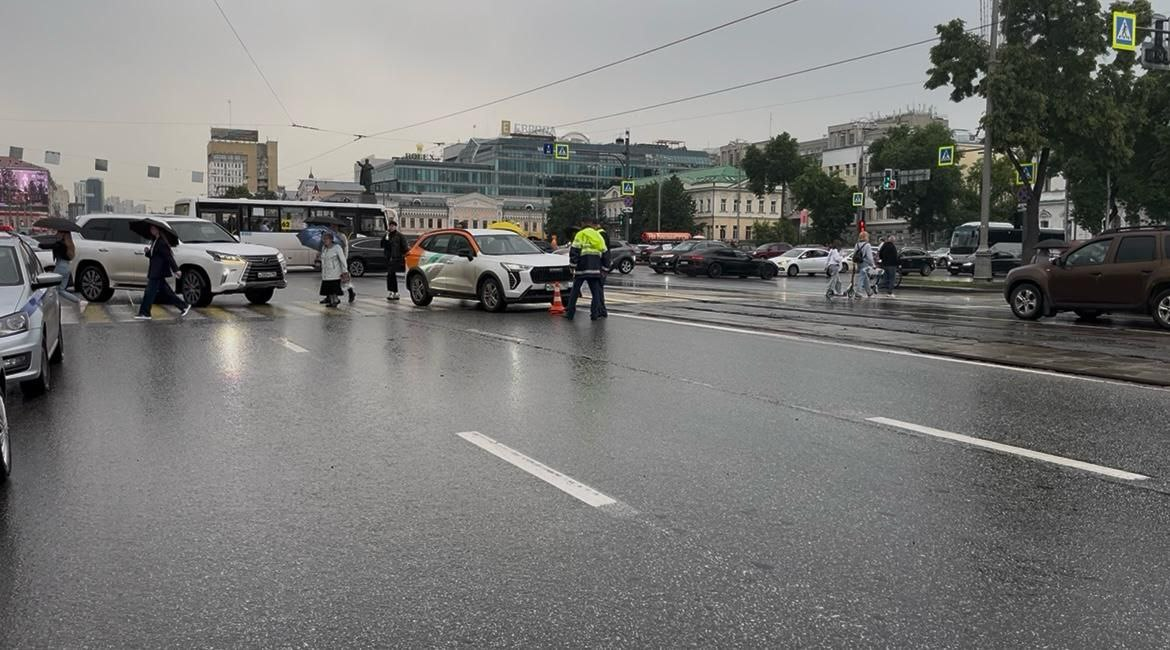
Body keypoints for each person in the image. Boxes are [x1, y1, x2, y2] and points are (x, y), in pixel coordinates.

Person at [136, 225, 191, 321]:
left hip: (157, 271)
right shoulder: (155, 241)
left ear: (158, 230)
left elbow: (168, 257)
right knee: (167, 292)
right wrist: (147, 252)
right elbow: (154, 255)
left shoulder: (161, 242)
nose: (152, 230)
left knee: (149, 293)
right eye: (151, 229)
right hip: (156, 271)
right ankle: (184, 306)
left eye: (153, 228)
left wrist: (176, 270)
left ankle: (145, 313)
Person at [564, 216, 608, 321]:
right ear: (592, 223)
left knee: (575, 291)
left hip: (582, 268)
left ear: (582, 223)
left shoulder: (580, 234)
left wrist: (572, 266)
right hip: (595, 269)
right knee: (595, 293)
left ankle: (570, 313)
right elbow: (605, 253)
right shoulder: (598, 235)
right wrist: (604, 268)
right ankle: (594, 314)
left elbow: (575, 250)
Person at [40, 230, 82, 305]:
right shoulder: (69, 244)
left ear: (63, 234)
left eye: (59, 232)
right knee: (61, 290)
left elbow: (46, 246)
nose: (57, 234)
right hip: (67, 267)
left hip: (60, 267)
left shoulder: (59, 244)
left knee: (52, 287)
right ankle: (78, 301)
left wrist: (37, 244)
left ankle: (45, 304)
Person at [318, 231, 348, 308]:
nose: (325, 240)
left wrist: (345, 270)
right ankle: (333, 301)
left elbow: (342, 259)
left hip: (335, 272)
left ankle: (335, 301)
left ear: (331, 239)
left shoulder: (337, 247)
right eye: (324, 239)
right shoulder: (324, 248)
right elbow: (323, 258)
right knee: (328, 289)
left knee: (333, 289)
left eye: (326, 239)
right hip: (326, 272)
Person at [381, 220, 409, 301]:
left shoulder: (399, 236)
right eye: (390, 226)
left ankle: (393, 292)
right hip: (388, 258)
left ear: (395, 227)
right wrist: (385, 236)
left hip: (396, 258)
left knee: (390, 274)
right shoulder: (387, 235)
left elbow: (405, 247)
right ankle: (394, 292)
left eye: (393, 226)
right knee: (391, 275)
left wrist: (403, 255)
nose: (391, 227)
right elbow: (382, 245)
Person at [852, 231, 876, 298]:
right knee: (862, 277)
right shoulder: (867, 245)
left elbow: (854, 254)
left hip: (858, 262)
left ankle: (869, 292)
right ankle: (858, 292)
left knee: (865, 277)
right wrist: (873, 264)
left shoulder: (857, 244)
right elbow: (869, 256)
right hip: (865, 262)